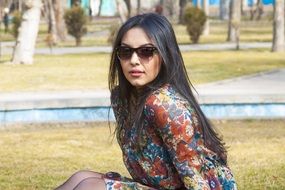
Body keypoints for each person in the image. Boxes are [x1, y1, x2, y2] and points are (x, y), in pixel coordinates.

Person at [55, 13, 237, 190]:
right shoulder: (121, 97)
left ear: (165, 54)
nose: (134, 60)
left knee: (89, 186)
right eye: (126, 51)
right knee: (81, 177)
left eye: (146, 51)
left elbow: (197, 181)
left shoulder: (166, 106)